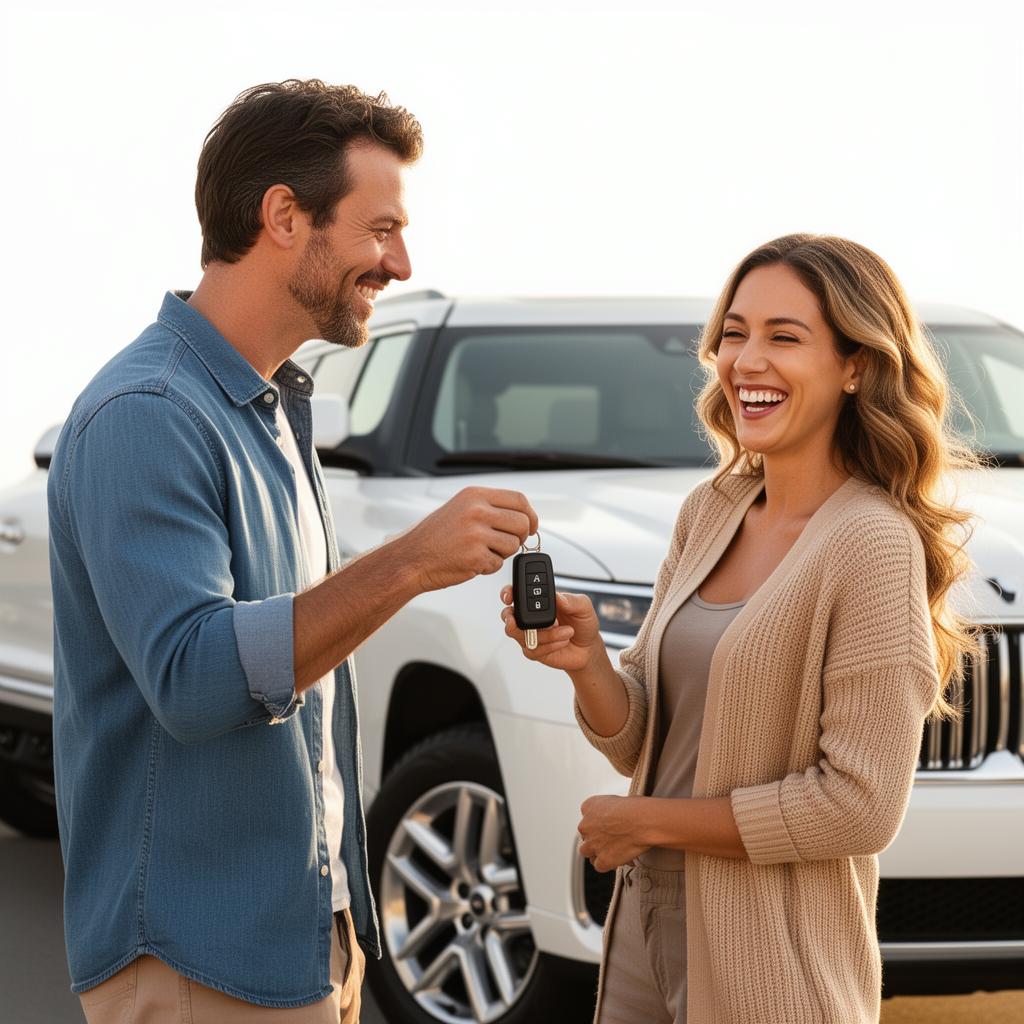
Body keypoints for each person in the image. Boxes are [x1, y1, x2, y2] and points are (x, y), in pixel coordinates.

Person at [49, 79, 537, 1023]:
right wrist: (410, 563)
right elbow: (195, 680)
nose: (400, 261)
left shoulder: (271, 411)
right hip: (197, 961)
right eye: (379, 228)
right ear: (283, 216)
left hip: (304, 943)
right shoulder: (150, 414)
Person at [501, 233, 978, 1024]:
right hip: (645, 928)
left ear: (856, 365)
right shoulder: (711, 510)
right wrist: (586, 663)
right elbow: (641, 740)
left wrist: (647, 820)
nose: (745, 360)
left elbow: (859, 807)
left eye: (784, 337)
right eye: (734, 332)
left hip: (774, 968)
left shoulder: (871, 542)